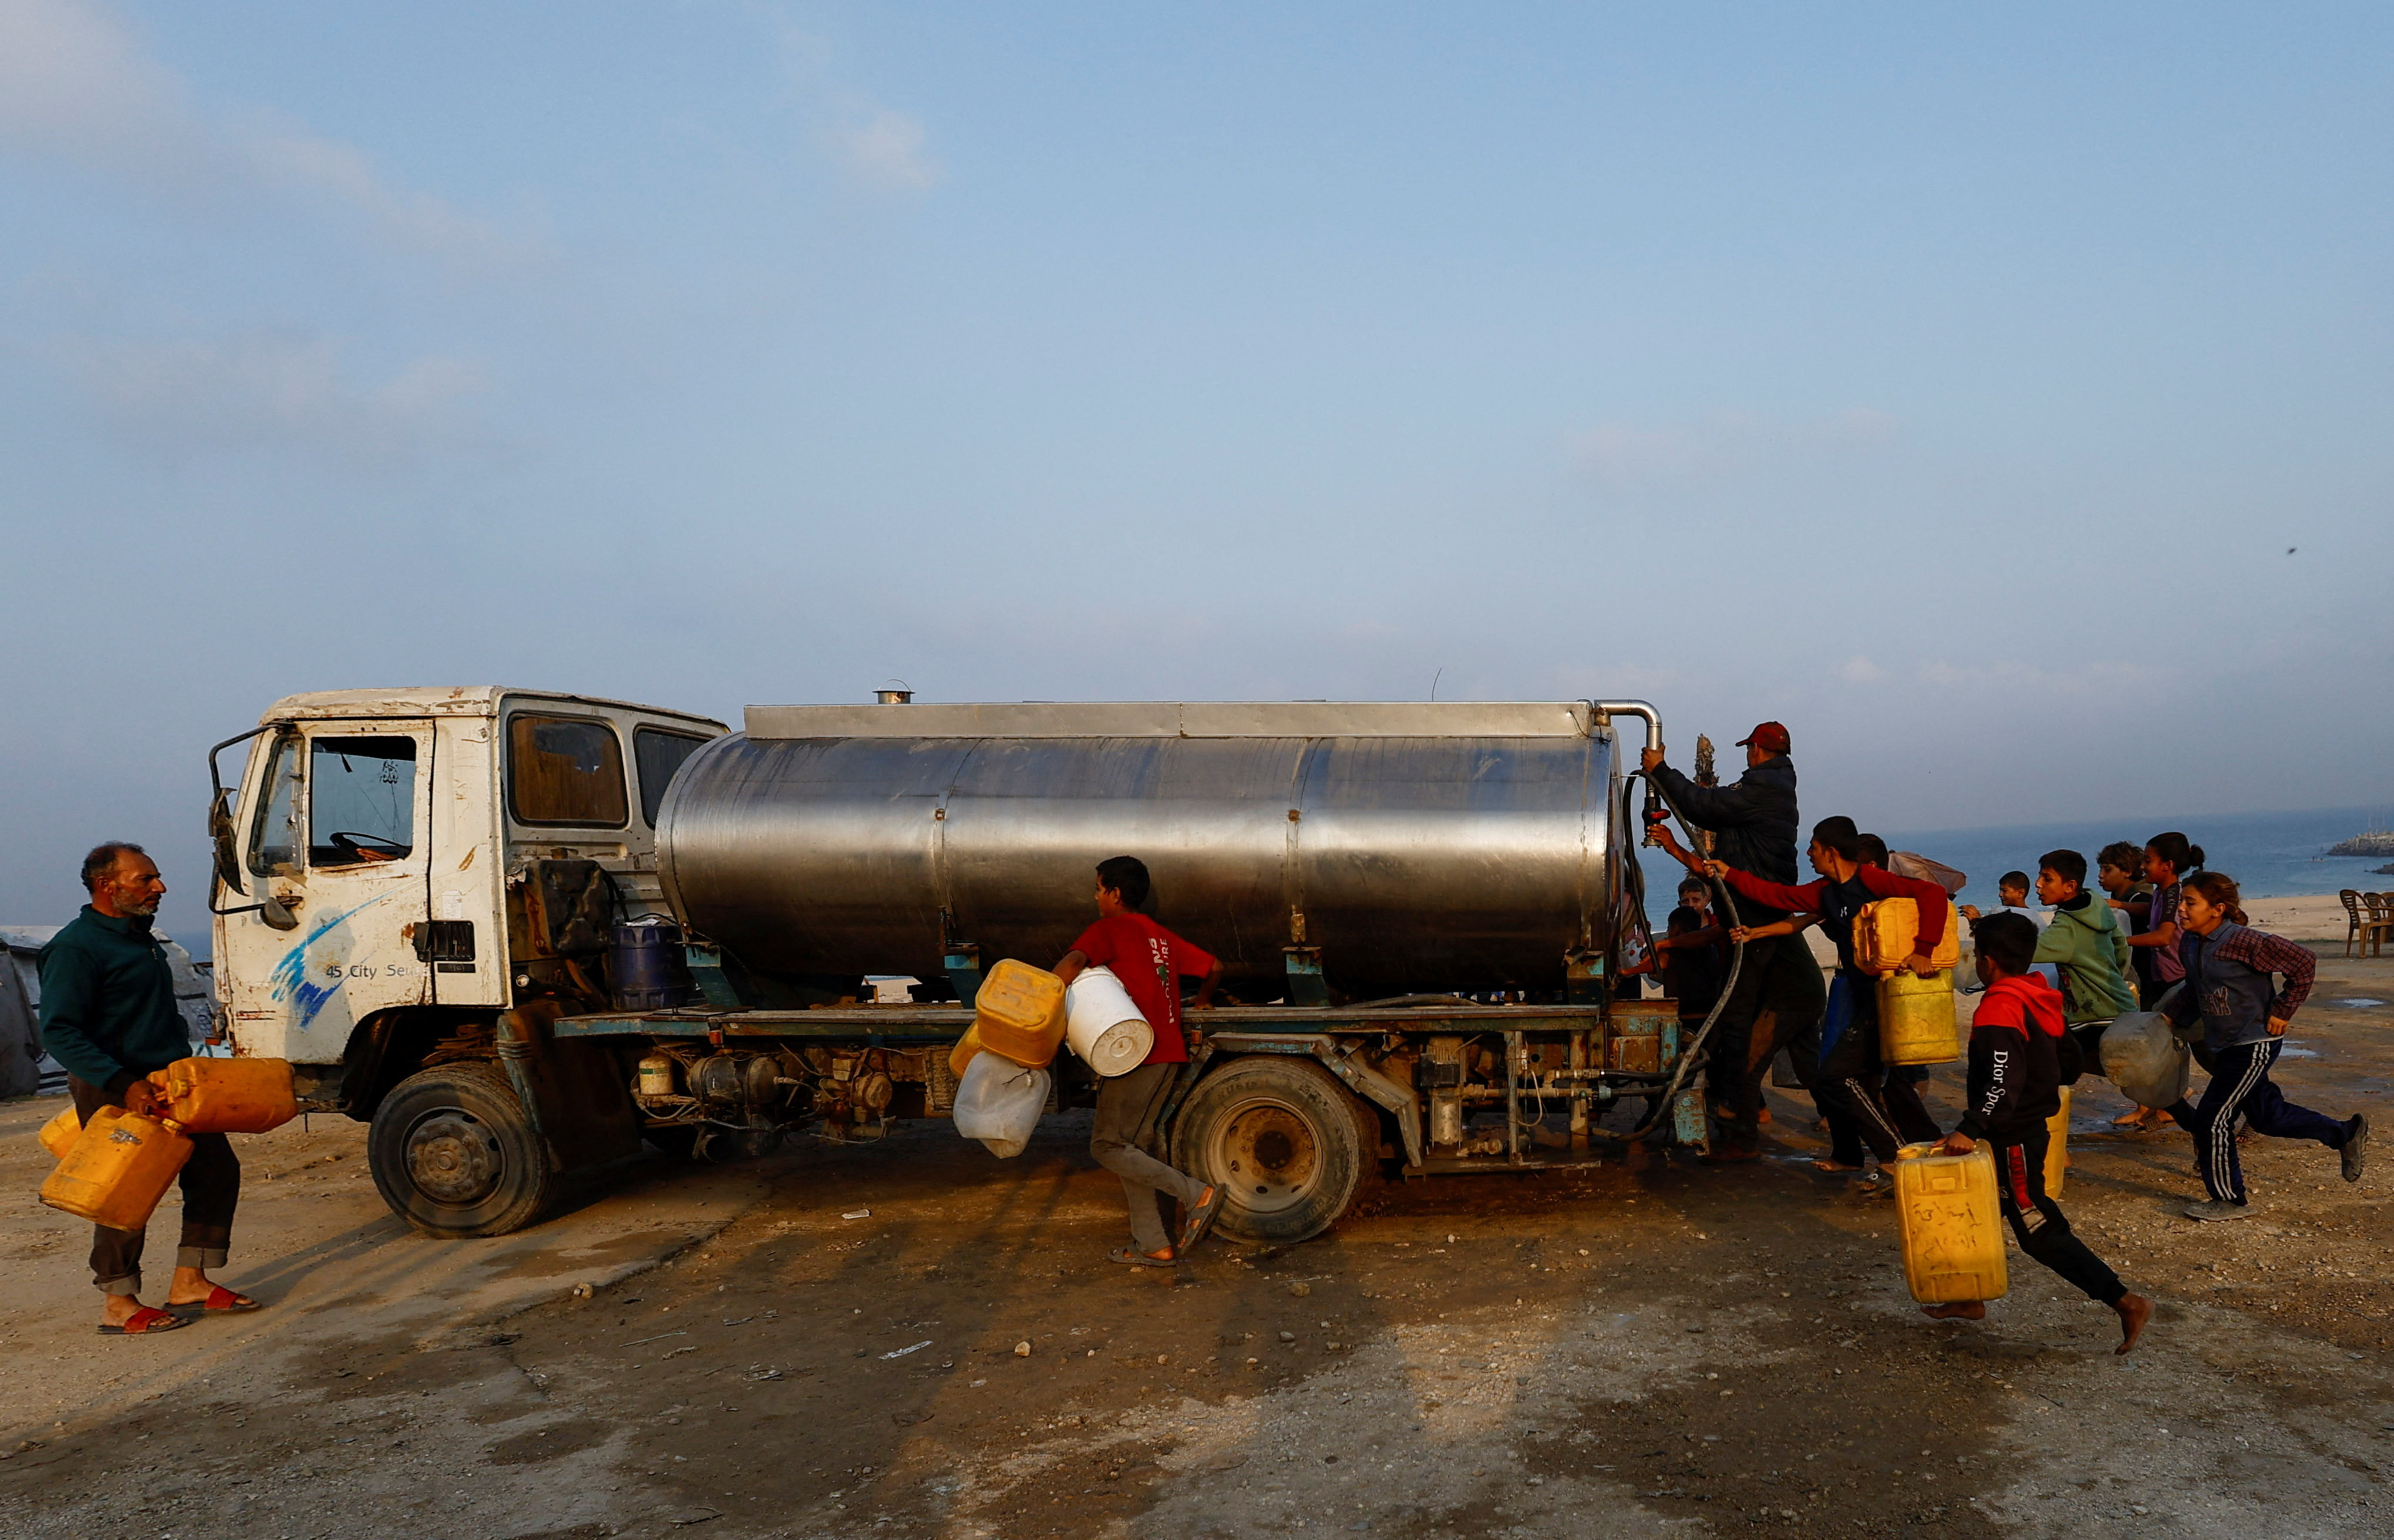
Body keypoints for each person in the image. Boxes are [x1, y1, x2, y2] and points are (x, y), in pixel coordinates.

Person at [37, 844, 257, 1335]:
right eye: (146, 880)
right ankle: (119, 1302)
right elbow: (59, 1031)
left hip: (171, 1081)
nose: (160, 888)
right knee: (126, 1189)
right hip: (116, 1084)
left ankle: (190, 1282)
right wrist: (122, 1082)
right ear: (107, 886)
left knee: (216, 1169)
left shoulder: (141, 938)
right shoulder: (76, 948)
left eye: (156, 878)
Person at [1923, 913, 2152, 1354]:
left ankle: (2125, 1301)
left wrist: (1969, 1127)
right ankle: (1969, 1297)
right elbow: (2067, 1061)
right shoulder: (2037, 993)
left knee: (2036, 1227)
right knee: (1984, 1208)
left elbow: (2000, 1083)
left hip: (2014, 1132)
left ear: (1987, 961)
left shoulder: (1998, 1007)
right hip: (2028, 1125)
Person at [1695, 817, 1950, 1175]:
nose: (1808, 853)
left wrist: (1924, 948)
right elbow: (1776, 895)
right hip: (1862, 999)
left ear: (1831, 852)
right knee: (1852, 1082)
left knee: (1836, 1078)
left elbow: (1933, 894)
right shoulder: (1825, 892)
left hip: (1888, 998)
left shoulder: (1871, 880)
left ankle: (1893, 1157)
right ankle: (1850, 1156)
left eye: (1813, 847)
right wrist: (1731, 875)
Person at [1641, 721, 1825, 1163]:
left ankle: (1740, 1130)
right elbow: (1717, 867)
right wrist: (1673, 847)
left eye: (1749, 750)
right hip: (1779, 958)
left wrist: (1661, 770)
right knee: (1787, 1051)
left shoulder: (1763, 789)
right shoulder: (1769, 792)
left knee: (1737, 1029)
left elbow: (1705, 806)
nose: (1747, 756)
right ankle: (1837, 1133)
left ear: (1757, 750)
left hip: (1760, 923)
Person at [2155, 873, 2367, 1221]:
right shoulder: (2191, 943)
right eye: (2181, 902)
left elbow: (2303, 963)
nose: (2180, 909)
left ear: (2217, 909)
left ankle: (2228, 1200)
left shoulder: (2243, 941)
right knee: (2268, 1117)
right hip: (2224, 1044)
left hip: (2254, 1042)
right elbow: (2195, 989)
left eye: (2190, 902)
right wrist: (2170, 1018)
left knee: (2213, 1118)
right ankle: (2345, 1133)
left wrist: (2283, 1011)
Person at [1051, 857, 1227, 1266]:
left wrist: (1037, 997)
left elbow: (1074, 964)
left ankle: (1195, 1194)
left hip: (1132, 1053)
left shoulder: (1107, 930)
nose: (1095, 896)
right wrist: (1200, 1003)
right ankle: (1154, 1244)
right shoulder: (1158, 935)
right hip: (1168, 1051)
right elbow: (1215, 966)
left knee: (1107, 1146)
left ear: (1114, 893)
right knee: (1131, 1148)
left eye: (1098, 888)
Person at [2028, 850, 2138, 1065]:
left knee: (2042, 1061)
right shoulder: (2097, 906)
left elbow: (2029, 951)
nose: (2038, 884)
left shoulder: (2068, 925)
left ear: (2070, 887)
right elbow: (2121, 946)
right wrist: (2112, 976)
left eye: (2047, 879)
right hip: (2119, 1006)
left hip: (2093, 1018)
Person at [2124, 832, 2202, 1017]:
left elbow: (2163, 937)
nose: (2142, 867)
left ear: (2168, 865)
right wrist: (2118, 904)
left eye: (2148, 861)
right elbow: (2150, 910)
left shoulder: (2174, 896)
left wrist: (2121, 940)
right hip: (2163, 975)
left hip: (2177, 978)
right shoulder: (2162, 891)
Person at [1654, 876, 1728, 1029]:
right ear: (1679, 904)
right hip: (1683, 1002)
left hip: (1713, 995)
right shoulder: (1678, 925)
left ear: (1707, 900)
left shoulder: (1717, 926)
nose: (1691, 905)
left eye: (1696, 900)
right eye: (1686, 901)